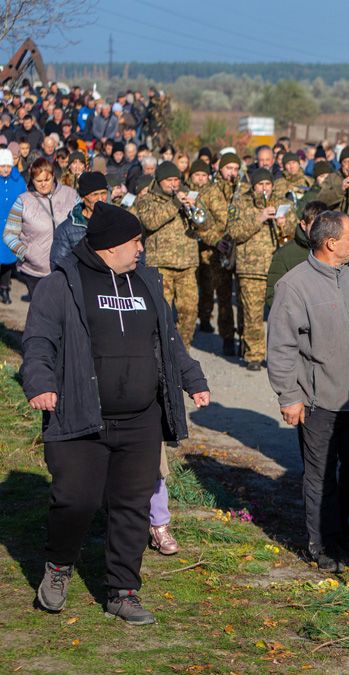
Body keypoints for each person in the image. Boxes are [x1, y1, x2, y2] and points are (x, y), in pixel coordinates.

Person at [21, 202, 210, 625]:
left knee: (132, 506)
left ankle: (123, 591)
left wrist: (192, 378)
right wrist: (41, 383)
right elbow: (38, 341)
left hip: (141, 419)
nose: (142, 248)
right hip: (80, 414)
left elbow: (169, 339)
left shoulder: (146, 282)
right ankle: (58, 567)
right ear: (108, 247)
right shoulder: (62, 284)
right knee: (76, 500)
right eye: (135, 241)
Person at [267, 211, 349, 571]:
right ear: (330, 243)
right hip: (318, 401)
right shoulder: (294, 286)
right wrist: (289, 396)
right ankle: (322, 543)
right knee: (320, 475)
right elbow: (281, 347)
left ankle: (338, 521)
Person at [228, 168, 294, 370]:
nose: (265, 188)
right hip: (250, 267)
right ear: (253, 186)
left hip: (278, 267)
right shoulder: (240, 203)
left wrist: (285, 224)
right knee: (253, 314)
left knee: (281, 316)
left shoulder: (285, 203)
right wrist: (259, 218)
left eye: (268, 184)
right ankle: (254, 355)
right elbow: (233, 232)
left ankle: (279, 357)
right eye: (260, 185)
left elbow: (296, 231)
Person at [132, 162, 204, 347]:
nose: (173, 184)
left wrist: (194, 207)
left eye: (176, 180)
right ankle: (161, 350)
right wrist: (175, 203)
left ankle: (182, 349)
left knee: (189, 311)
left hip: (187, 263)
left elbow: (205, 223)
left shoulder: (187, 195)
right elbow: (151, 222)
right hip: (161, 263)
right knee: (160, 312)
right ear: (159, 180)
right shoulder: (147, 199)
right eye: (169, 180)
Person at [2, 157, 79, 297]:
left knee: (66, 313)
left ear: (53, 176)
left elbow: (82, 225)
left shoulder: (71, 195)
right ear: (32, 180)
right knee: (43, 314)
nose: (43, 184)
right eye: (39, 181)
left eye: (47, 180)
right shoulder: (23, 201)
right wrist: (25, 253)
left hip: (67, 268)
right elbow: (9, 234)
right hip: (35, 272)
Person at [195, 153, 241, 356]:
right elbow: (200, 223)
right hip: (216, 252)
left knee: (240, 298)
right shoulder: (208, 191)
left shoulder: (243, 191)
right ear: (219, 169)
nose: (232, 172)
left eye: (236, 168)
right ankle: (227, 338)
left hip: (241, 250)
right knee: (222, 296)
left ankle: (246, 338)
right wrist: (217, 240)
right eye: (228, 167)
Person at [266, 200, 327, 309]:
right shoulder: (284, 255)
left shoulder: (335, 250)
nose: (320, 230)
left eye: (324, 225)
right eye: (315, 225)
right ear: (304, 225)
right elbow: (273, 297)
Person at [50, 171, 108, 268]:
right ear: (83, 198)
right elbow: (58, 265)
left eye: (103, 193)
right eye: (95, 194)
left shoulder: (115, 220)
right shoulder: (66, 230)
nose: (101, 198)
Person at [0, 149, 27, 304]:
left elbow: (24, 200)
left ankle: (4, 288)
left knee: (9, 259)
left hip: (12, 224)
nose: (5, 169)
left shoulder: (18, 180)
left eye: (8, 166)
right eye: (2, 166)